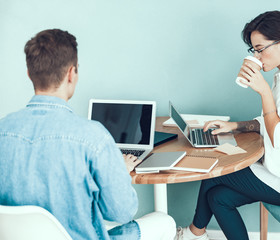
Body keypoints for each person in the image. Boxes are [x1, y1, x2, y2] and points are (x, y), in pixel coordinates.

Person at [0, 29, 176, 240]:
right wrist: (119, 170)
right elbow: (121, 212)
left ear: (29, 74)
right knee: (165, 221)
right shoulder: (93, 137)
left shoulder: (3, 129)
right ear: (71, 74)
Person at [175, 10, 280, 240]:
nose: (257, 57)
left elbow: (279, 137)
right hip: (278, 169)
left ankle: (193, 234)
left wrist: (264, 91)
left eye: (260, 49)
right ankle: (195, 234)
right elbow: (272, 120)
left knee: (213, 174)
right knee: (218, 197)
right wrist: (235, 126)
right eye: (254, 51)